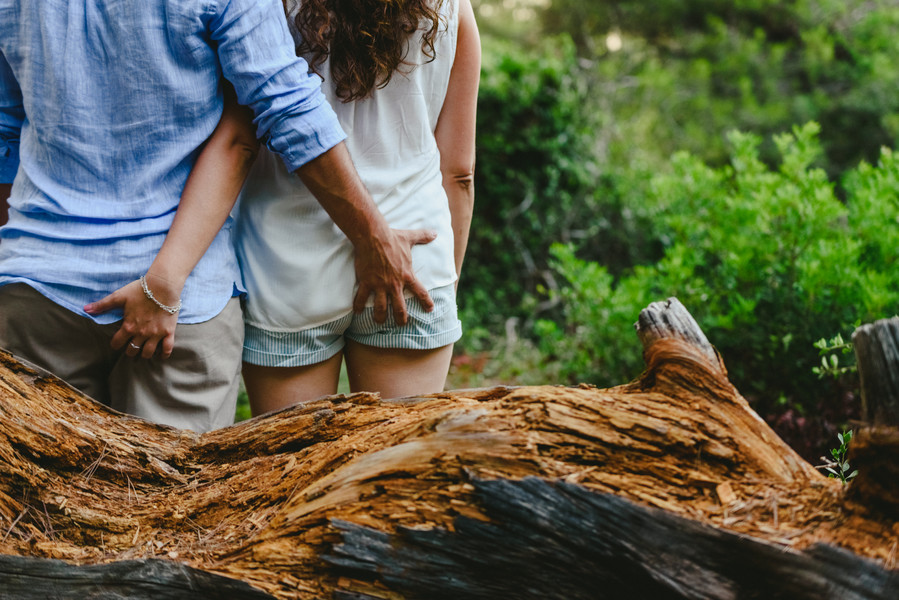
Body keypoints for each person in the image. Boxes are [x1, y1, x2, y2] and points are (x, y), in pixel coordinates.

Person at [0, 0, 435, 432]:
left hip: (37, 292)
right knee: (173, 499)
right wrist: (374, 237)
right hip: (180, 306)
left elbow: (5, 130)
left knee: (42, 499)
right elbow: (279, 112)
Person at [229, 0, 481, 413]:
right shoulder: (451, 8)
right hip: (412, 260)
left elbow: (241, 137)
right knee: (395, 462)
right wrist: (445, 281)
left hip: (287, 267)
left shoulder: (270, 7)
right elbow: (459, 172)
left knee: (294, 469)